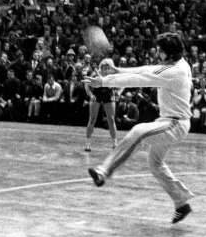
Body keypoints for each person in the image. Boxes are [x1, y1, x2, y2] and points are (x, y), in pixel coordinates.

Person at [83, 33, 195, 224]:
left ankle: (103, 171)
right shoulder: (178, 63)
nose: (157, 52)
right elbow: (147, 69)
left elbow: (141, 79)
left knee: (138, 131)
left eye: (160, 50)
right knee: (155, 164)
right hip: (168, 120)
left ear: (168, 53)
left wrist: (104, 81)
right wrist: (118, 70)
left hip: (174, 123)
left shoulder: (174, 72)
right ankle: (181, 202)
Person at [84, 58, 118, 151]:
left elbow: (117, 85)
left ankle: (115, 143)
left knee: (111, 119)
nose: (106, 68)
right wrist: (90, 95)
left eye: (108, 67)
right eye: (104, 66)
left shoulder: (112, 75)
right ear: (101, 66)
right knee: (92, 119)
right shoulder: (95, 74)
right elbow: (86, 84)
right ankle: (87, 143)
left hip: (108, 95)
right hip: (97, 95)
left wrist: (117, 92)